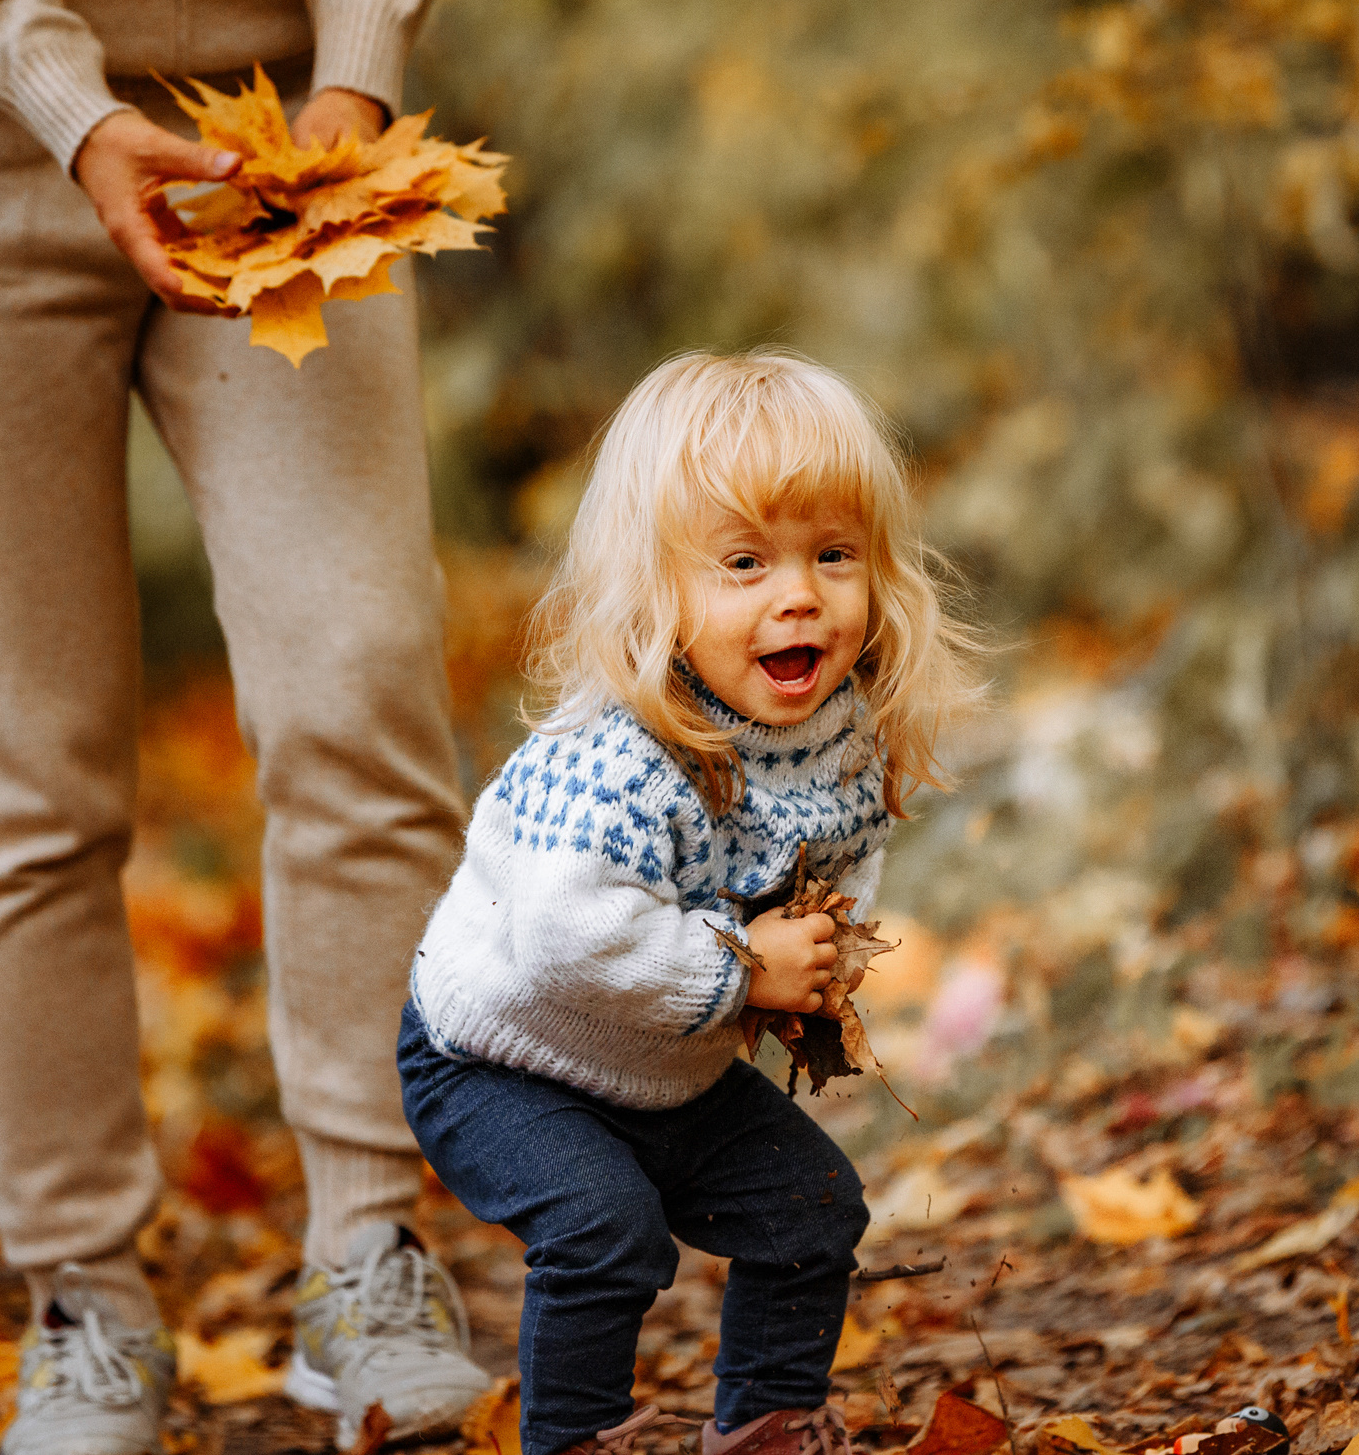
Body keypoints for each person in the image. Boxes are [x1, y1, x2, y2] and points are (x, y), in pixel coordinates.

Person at [0, 0, 493, 1450]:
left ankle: (370, 1246)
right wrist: (72, 106)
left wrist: (355, 75)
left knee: (358, 675)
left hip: (278, 133)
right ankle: (85, 1307)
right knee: (18, 770)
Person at [401, 350, 980, 1455]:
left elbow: (839, 865)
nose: (797, 593)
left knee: (810, 1208)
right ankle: (574, 1442)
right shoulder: (616, 756)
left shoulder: (840, 734)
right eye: (743, 564)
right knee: (603, 1231)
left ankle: (763, 1428)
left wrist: (816, 961)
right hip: (498, 1055)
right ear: (658, 593)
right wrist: (740, 971)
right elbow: (563, 936)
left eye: (831, 555)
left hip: (662, 1065)